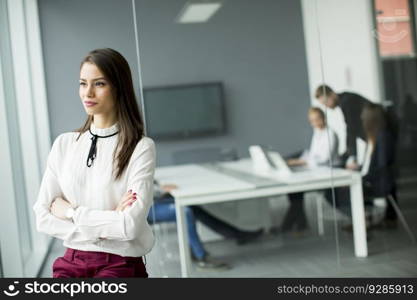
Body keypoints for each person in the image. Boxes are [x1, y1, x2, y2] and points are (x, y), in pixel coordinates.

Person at [33, 48, 155, 278]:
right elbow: (43, 217)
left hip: (120, 263)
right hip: (70, 261)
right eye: (82, 83)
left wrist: (70, 212)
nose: (87, 92)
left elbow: (129, 227)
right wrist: (108, 224)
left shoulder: (141, 147)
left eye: (99, 84)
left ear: (119, 88)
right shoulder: (64, 144)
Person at [315, 85, 398, 226]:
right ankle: (371, 218)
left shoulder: (348, 102)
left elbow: (351, 130)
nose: (327, 107)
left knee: (336, 192)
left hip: (377, 179)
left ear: (332, 94)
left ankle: (362, 221)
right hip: (374, 160)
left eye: (325, 103)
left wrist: (352, 158)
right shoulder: (348, 101)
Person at [148, 181, 263, 270]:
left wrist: (158, 188)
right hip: (144, 208)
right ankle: (201, 257)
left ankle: (237, 235)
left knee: (193, 207)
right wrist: (160, 191)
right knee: (185, 211)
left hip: (151, 199)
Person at [275, 107, 339, 235]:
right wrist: (300, 160)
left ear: (323, 118)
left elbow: (324, 159)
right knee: (293, 190)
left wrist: (300, 162)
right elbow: (313, 154)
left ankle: (288, 226)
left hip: (325, 171)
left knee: (296, 190)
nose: (314, 123)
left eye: (316, 120)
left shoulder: (330, 134)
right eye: (312, 121)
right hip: (314, 168)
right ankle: (299, 224)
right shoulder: (317, 132)